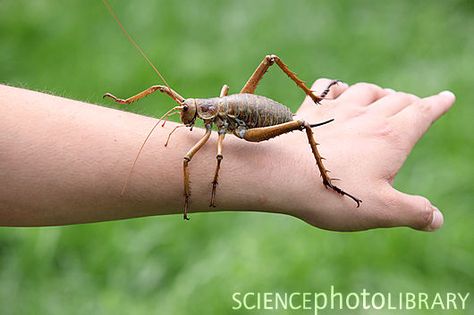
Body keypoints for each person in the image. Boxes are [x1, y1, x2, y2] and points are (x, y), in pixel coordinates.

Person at [0, 80, 455, 231]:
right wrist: (126, 105)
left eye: (189, 113)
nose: (186, 116)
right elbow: (166, 91)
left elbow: (212, 156)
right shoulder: (201, 112)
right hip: (233, 114)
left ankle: (326, 173)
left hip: (254, 122)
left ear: (203, 113)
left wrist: (210, 183)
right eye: (187, 112)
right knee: (188, 144)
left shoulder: (216, 128)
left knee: (199, 158)